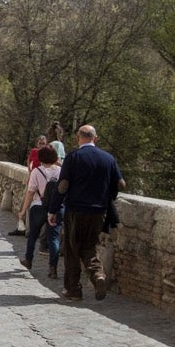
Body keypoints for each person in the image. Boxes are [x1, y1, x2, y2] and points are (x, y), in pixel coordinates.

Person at [46, 123, 125, 301]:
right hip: (99, 211)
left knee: (73, 248)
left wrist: (53, 210)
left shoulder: (73, 157)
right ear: (95, 138)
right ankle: (98, 275)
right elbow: (121, 184)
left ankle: (73, 289)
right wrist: (108, 195)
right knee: (89, 246)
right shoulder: (108, 158)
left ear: (78, 138)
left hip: (76, 210)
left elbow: (63, 186)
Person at [20, 144, 61, 278]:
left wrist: (23, 210)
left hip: (38, 206)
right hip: (55, 208)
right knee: (53, 238)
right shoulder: (61, 171)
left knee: (33, 235)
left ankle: (28, 260)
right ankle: (53, 268)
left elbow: (30, 192)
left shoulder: (36, 172)